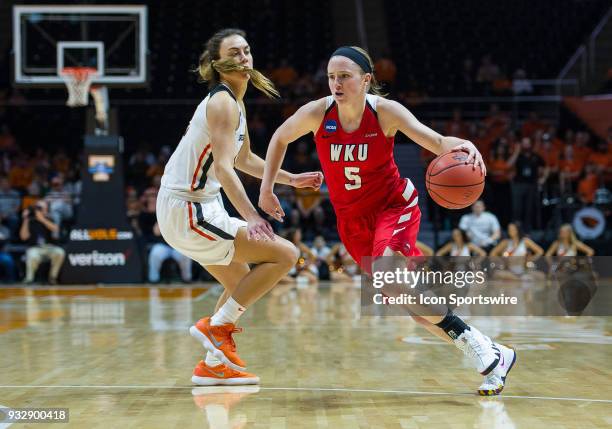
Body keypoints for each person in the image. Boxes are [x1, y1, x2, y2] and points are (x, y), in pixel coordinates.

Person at [260, 46, 515, 396]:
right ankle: (495, 352)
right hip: (352, 222)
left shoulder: (385, 113)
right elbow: (279, 138)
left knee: (388, 277)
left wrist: (466, 144)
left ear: (366, 80)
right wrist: (267, 188)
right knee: (416, 310)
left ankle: (476, 345)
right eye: (332, 76)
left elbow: (437, 142)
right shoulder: (319, 112)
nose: (336, 83)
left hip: (393, 207)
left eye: (344, 76)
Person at [156, 29, 323, 386]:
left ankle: (214, 365)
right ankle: (217, 330)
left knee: (241, 283)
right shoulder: (222, 103)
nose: (244, 57)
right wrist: (252, 215)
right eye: (235, 52)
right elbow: (222, 167)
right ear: (218, 63)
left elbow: (243, 158)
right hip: (188, 209)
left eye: (247, 50)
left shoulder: (236, 101)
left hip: (199, 206)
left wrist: (290, 179)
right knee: (286, 254)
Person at [19, 200, 65, 285]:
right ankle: (29, 279)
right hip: (35, 248)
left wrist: (42, 219)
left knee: (60, 252)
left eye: (41, 208)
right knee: (32, 255)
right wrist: (25, 219)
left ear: (46, 209)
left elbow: (55, 229)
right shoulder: (30, 221)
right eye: (37, 208)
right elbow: (23, 237)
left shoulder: (50, 218)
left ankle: (52, 277)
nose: (38, 210)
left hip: (50, 247)